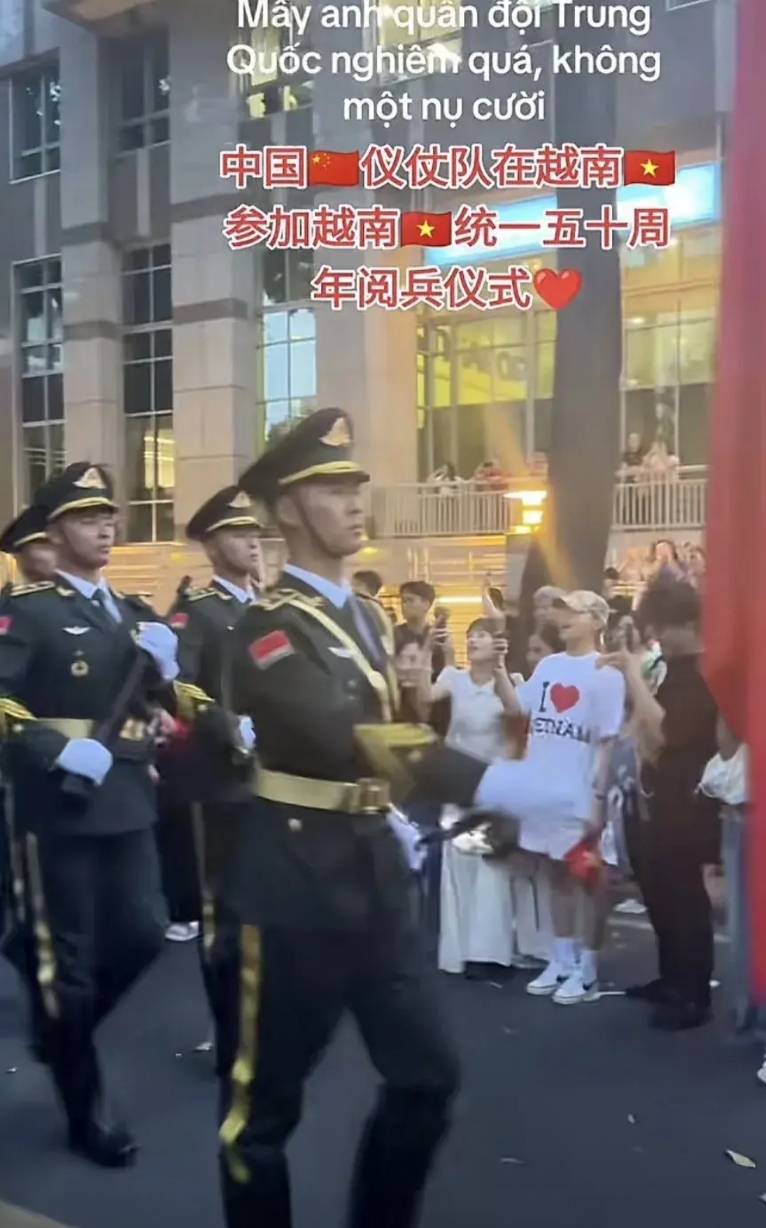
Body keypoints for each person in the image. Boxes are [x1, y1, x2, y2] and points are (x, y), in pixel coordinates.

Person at [219, 409, 459, 1228]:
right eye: (331, 488)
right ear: (288, 510)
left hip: (371, 871)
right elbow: (340, 732)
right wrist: (498, 782)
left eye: (356, 485)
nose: (356, 502)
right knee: (262, 1116)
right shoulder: (266, 625)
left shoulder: (368, 614)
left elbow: (381, 734)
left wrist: (390, 811)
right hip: (293, 885)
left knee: (428, 1077)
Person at [0, 463, 217, 1165]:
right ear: (56, 531)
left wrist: (171, 673)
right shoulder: (29, 610)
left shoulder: (131, 612)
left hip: (125, 797)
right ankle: (85, 1112)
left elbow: (165, 701)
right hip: (58, 802)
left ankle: (63, 1029)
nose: (104, 527)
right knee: (67, 962)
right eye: (88, 518)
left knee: (144, 935)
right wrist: (51, 748)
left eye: (108, 517)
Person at [471, 592, 625, 1004]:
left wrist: (598, 797)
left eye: (573, 612)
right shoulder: (549, 666)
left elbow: (607, 741)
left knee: (587, 879)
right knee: (555, 874)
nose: (564, 619)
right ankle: (561, 959)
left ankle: (588, 970)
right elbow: (516, 708)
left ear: (597, 620)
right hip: (545, 789)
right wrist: (499, 668)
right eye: (562, 612)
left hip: (581, 792)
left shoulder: (606, 673)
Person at [160, 486, 260, 1066]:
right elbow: (177, 683)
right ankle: (226, 1030)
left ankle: (260, 1019)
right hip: (218, 779)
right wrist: (230, 726)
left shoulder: (270, 608)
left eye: (255, 533)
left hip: (273, 778)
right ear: (214, 546)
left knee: (267, 907)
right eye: (239, 534)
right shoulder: (197, 611)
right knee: (222, 913)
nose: (253, 543)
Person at [601, 579, 719, 1029]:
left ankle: (693, 994)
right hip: (659, 794)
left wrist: (634, 674)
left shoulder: (702, 673)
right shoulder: (671, 668)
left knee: (685, 898)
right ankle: (671, 978)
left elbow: (668, 730)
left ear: (688, 624)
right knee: (659, 890)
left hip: (689, 800)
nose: (658, 636)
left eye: (665, 627)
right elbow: (648, 729)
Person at [0, 503, 58, 1058]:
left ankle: (52, 1007)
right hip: (16, 772)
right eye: (44, 543)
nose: (55, 551)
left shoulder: (72, 610)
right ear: (21, 554)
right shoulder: (10, 613)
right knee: (22, 900)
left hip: (47, 775)